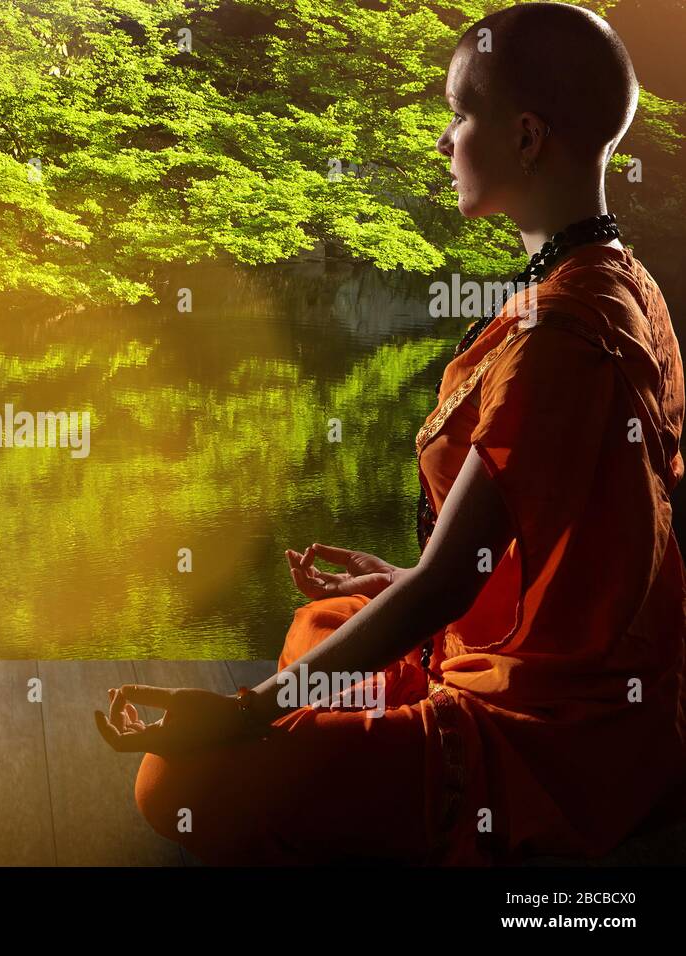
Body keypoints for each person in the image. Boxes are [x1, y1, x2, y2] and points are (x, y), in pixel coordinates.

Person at [95, 2, 686, 865]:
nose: (442, 142)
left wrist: (245, 710)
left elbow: (450, 586)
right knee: (326, 622)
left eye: (460, 114)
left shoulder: (564, 335)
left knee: (176, 786)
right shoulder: (620, 280)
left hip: (552, 728)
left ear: (526, 137)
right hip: (624, 687)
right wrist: (406, 577)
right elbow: (563, 533)